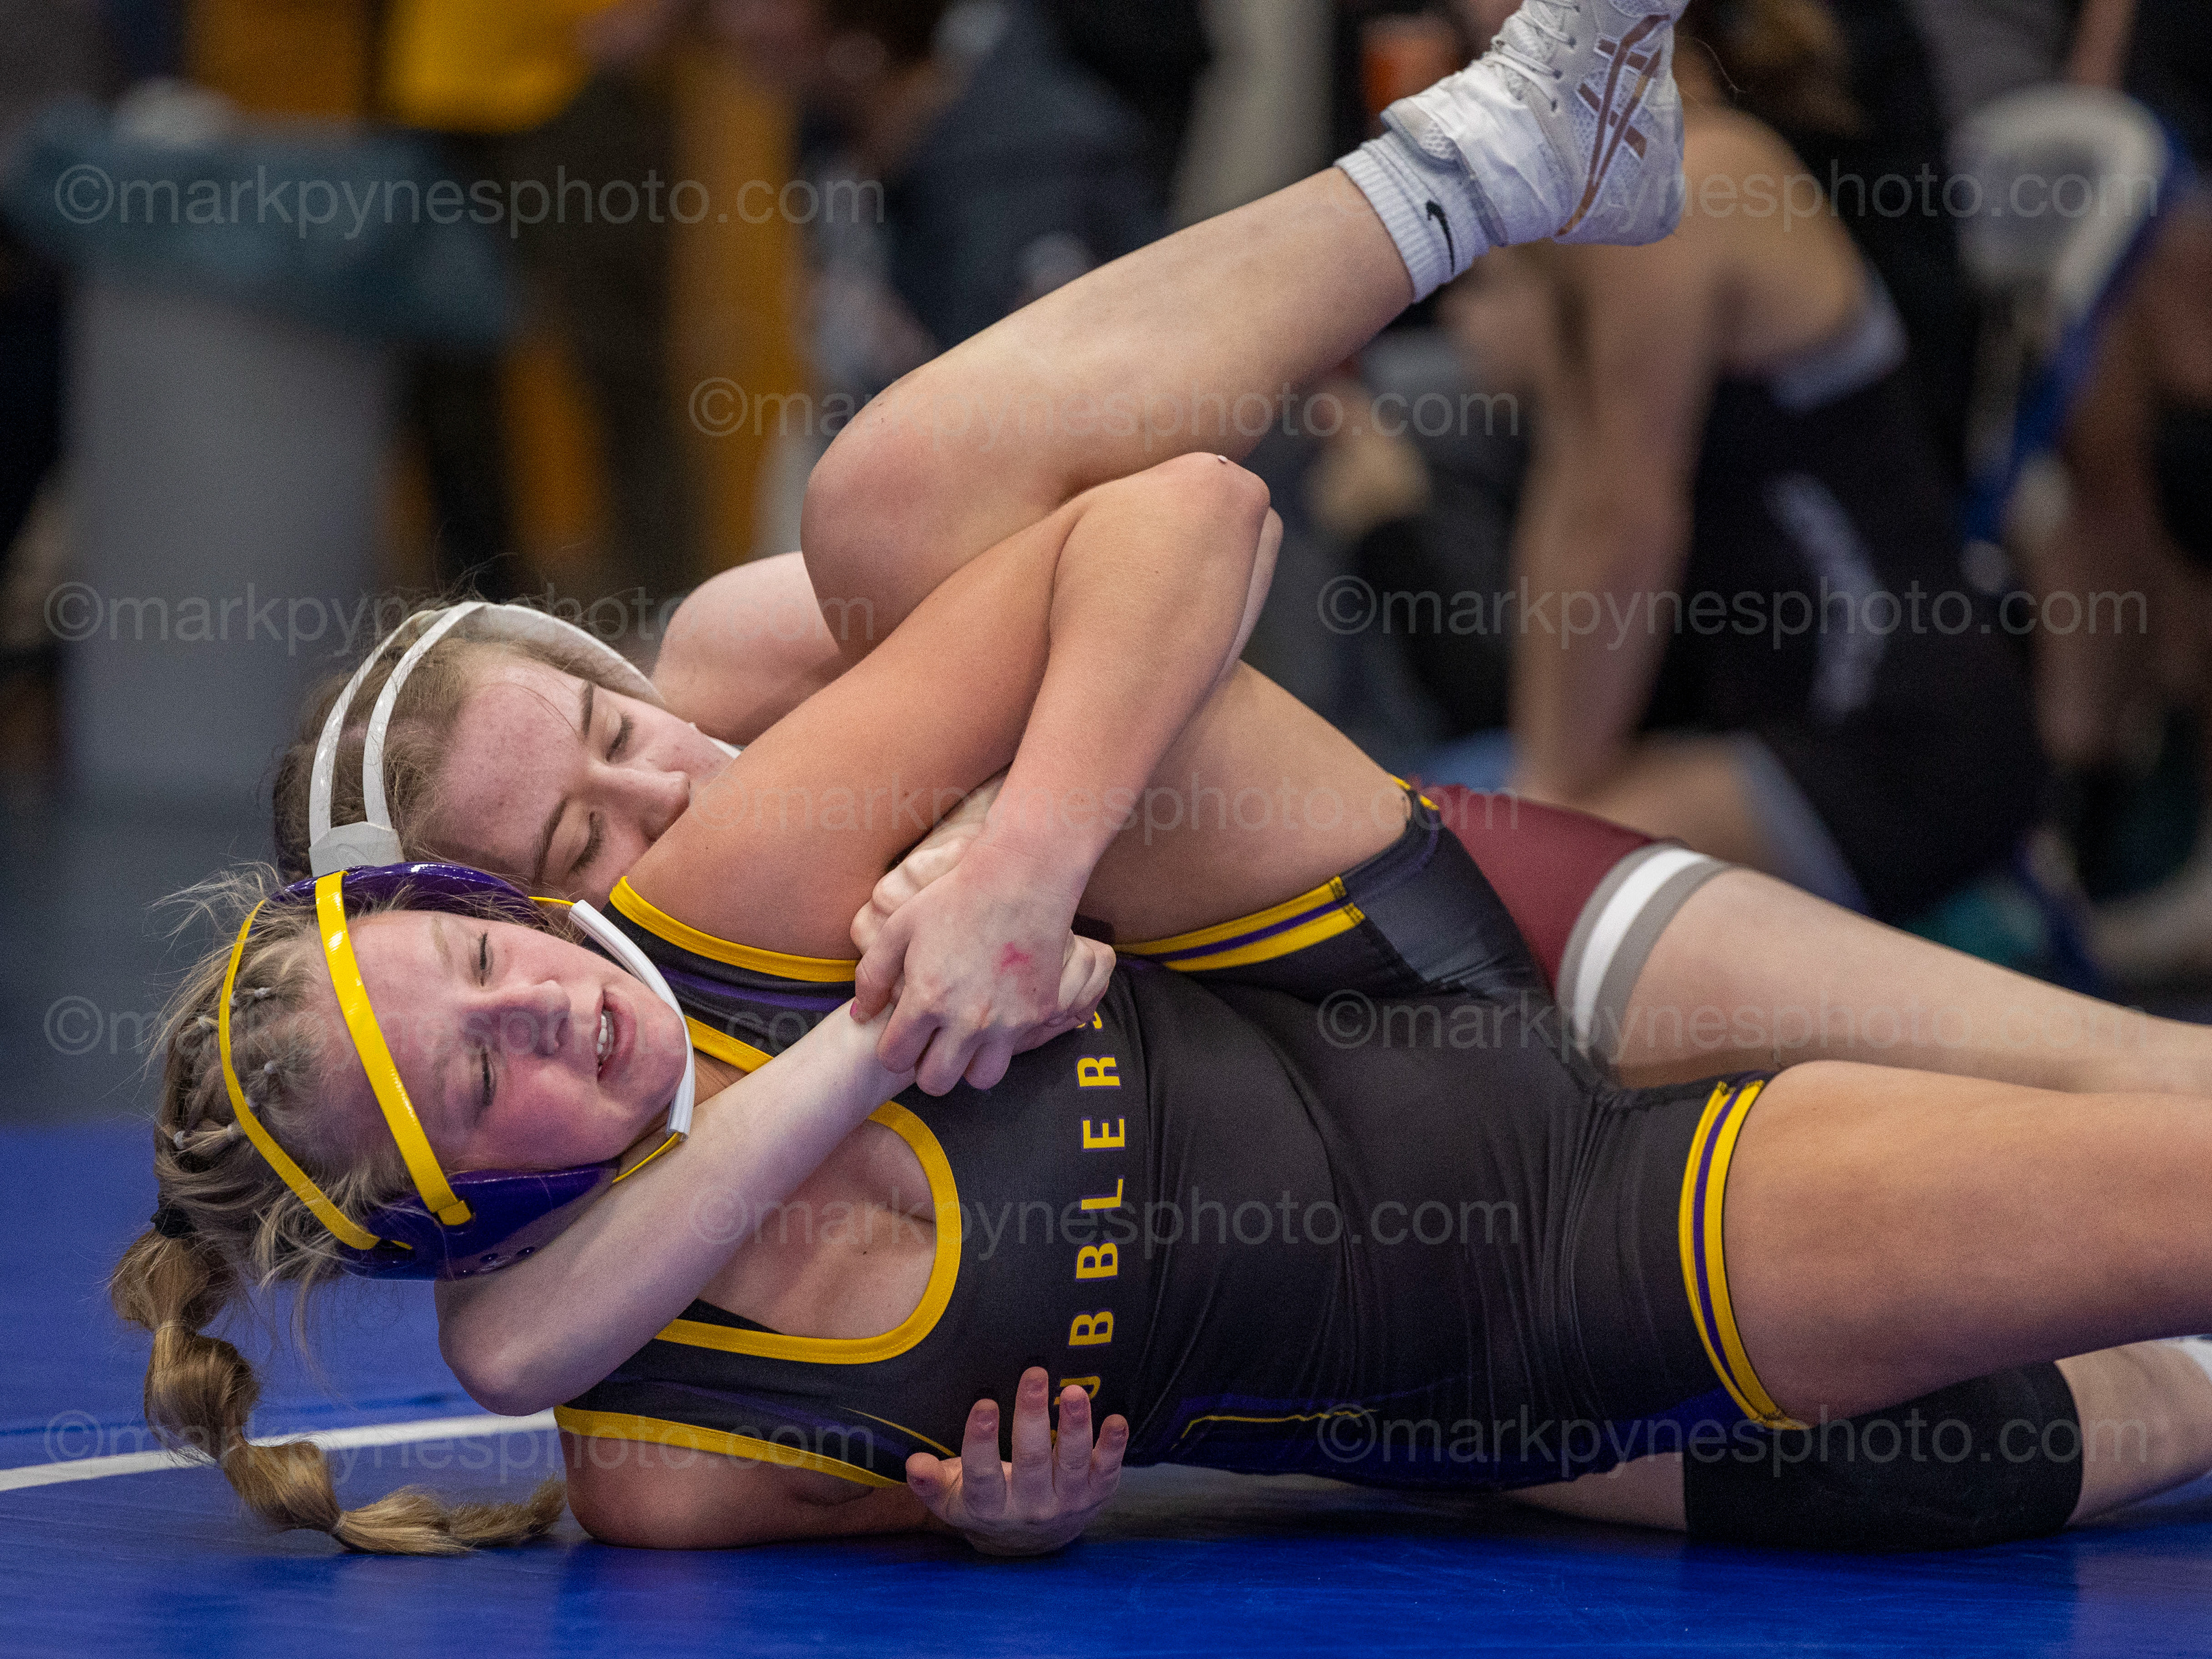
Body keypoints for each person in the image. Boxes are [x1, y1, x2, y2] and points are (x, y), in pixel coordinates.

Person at [1422, 0, 2040, 922]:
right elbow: (1570, 502)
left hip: (1899, 747)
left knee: (1477, 887)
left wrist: (1547, 795)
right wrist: (1543, 772)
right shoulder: (1609, 186)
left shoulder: (1691, 181)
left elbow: (1620, 524)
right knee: (1444, 830)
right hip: (1770, 725)